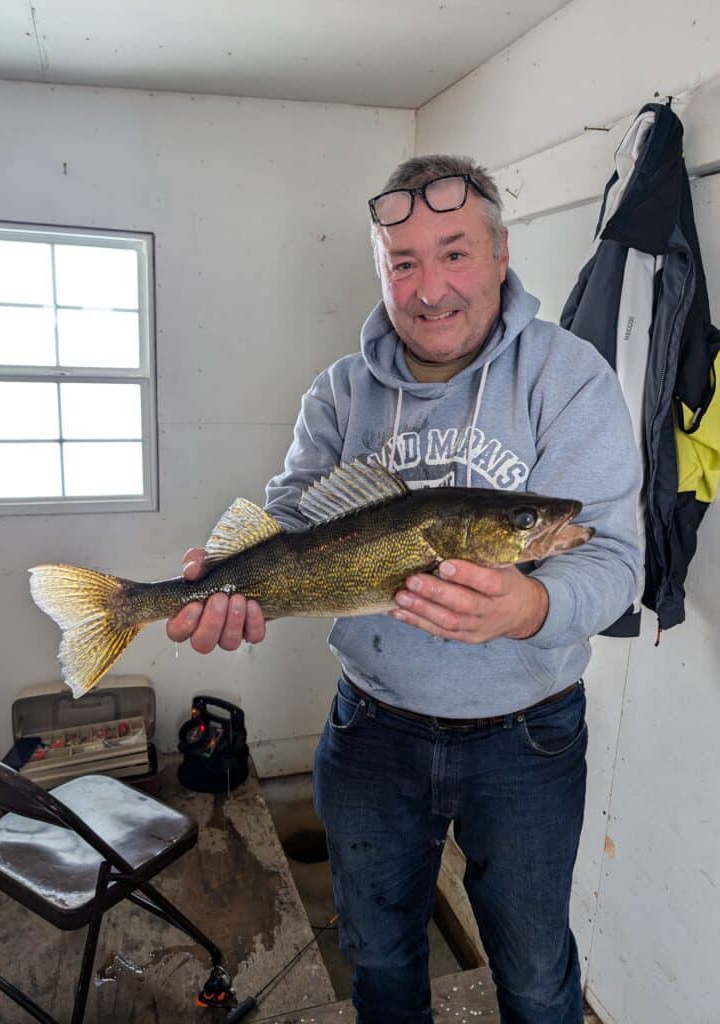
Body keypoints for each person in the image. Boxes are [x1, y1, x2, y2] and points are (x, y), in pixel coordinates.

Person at [167, 154, 642, 1024]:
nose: (430, 289)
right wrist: (231, 590)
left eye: (455, 253)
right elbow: (286, 525)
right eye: (403, 263)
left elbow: (614, 562)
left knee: (536, 975)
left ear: (500, 255)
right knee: (379, 960)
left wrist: (530, 605)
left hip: (527, 743)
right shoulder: (340, 394)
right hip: (371, 730)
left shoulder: (569, 378)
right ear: (381, 272)